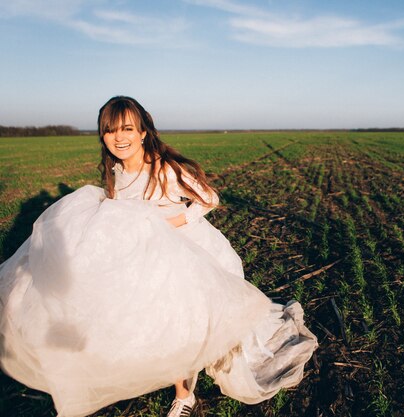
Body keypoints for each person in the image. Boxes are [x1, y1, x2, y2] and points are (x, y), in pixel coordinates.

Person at [0, 96, 318, 417]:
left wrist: (170, 223)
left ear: (142, 132)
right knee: (149, 322)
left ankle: (184, 395)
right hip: (145, 254)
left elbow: (209, 199)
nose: (119, 137)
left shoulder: (164, 168)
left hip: (186, 251)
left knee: (179, 322)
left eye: (127, 129)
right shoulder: (117, 170)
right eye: (110, 131)